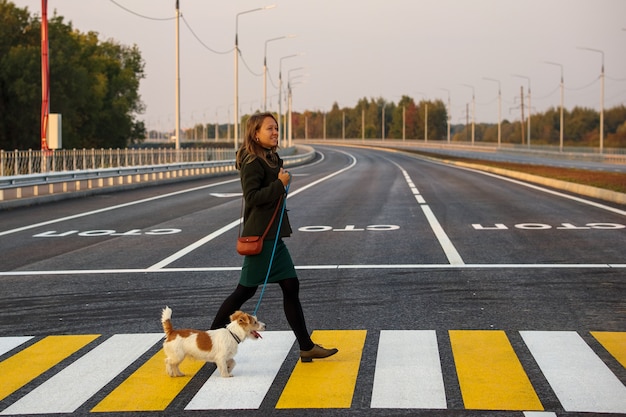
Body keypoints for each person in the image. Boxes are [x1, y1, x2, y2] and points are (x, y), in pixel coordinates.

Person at [210, 112, 338, 362]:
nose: (275, 132)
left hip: (273, 236)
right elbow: (253, 197)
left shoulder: (271, 158)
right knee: (244, 292)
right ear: (255, 133)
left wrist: (280, 181)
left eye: (276, 128)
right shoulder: (251, 161)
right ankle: (212, 341)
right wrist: (280, 184)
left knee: (291, 286)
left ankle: (306, 346)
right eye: (269, 129)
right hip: (261, 237)